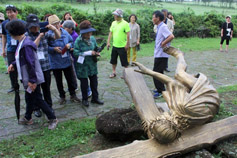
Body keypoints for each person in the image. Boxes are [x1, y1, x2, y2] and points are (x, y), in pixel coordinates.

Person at [133, 46, 220, 144]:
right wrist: (148, 72)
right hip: (207, 95)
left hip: (209, 110)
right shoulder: (180, 105)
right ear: (166, 119)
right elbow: (172, 82)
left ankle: (180, 57)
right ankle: (180, 55)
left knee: (179, 84)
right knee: (179, 75)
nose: (161, 114)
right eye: (161, 117)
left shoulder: (180, 125)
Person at [6, 20, 58, 130]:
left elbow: (31, 63)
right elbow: (22, 58)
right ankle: (27, 117)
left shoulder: (26, 45)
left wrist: (32, 81)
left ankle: (52, 118)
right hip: (27, 77)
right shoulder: (23, 42)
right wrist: (13, 64)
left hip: (31, 78)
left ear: (13, 33)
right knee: (29, 97)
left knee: (38, 99)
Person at [25, 14, 61, 117]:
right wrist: (39, 36)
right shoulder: (27, 36)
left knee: (46, 88)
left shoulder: (45, 33)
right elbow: (32, 47)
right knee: (36, 90)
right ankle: (37, 108)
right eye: (32, 27)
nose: (35, 28)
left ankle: (49, 106)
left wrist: (54, 29)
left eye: (36, 26)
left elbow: (57, 37)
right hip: (34, 68)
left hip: (46, 66)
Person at [47, 14, 80, 105]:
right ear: (50, 25)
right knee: (58, 80)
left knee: (70, 78)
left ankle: (73, 94)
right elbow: (45, 48)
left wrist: (69, 45)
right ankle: (62, 96)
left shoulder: (64, 32)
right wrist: (53, 49)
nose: (56, 26)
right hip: (55, 61)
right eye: (54, 24)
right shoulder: (48, 35)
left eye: (57, 23)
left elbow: (71, 41)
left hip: (66, 60)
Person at [73, 20, 104, 107]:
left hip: (92, 65)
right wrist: (88, 53)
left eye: (90, 32)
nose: (89, 34)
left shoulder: (93, 39)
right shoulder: (78, 41)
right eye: (87, 33)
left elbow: (95, 47)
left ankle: (95, 98)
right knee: (84, 84)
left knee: (94, 82)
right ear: (82, 33)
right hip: (82, 66)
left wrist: (97, 52)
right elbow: (75, 53)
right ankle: (85, 99)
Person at [63, 20, 92, 97]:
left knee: (82, 76)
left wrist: (68, 48)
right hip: (74, 59)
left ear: (70, 28)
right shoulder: (68, 35)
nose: (63, 29)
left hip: (78, 59)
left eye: (65, 28)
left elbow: (77, 48)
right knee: (78, 76)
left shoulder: (75, 36)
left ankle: (88, 90)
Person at [2, 5, 25, 93]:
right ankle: (14, 86)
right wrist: (3, 49)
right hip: (10, 49)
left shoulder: (22, 23)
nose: (9, 14)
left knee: (23, 66)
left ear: (16, 12)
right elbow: (3, 36)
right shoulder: (4, 24)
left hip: (21, 47)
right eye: (8, 12)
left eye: (11, 12)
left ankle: (26, 82)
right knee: (11, 67)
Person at [152, 10, 174, 98]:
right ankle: (160, 89)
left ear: (158, 18)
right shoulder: (159, 26)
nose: (152, 19)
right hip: (159, 54)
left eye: (153, 17)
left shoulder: (163, 27)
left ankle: (161, 91)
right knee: (159, 72)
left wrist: (163, 43)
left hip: (161, 55)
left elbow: (171, 36)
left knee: (156, 73)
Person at [107, 9, 130, 78]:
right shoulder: (113, 23)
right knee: (113, 60)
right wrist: (108, 42)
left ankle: (126, 73)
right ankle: (114, 72)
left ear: (119, 16)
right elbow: (110, 33)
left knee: (124, 61)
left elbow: (128, 35)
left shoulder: (125, 23)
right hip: (115, 45)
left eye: (115, 15)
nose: (114, 16)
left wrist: (127, 44)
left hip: (122, 46)